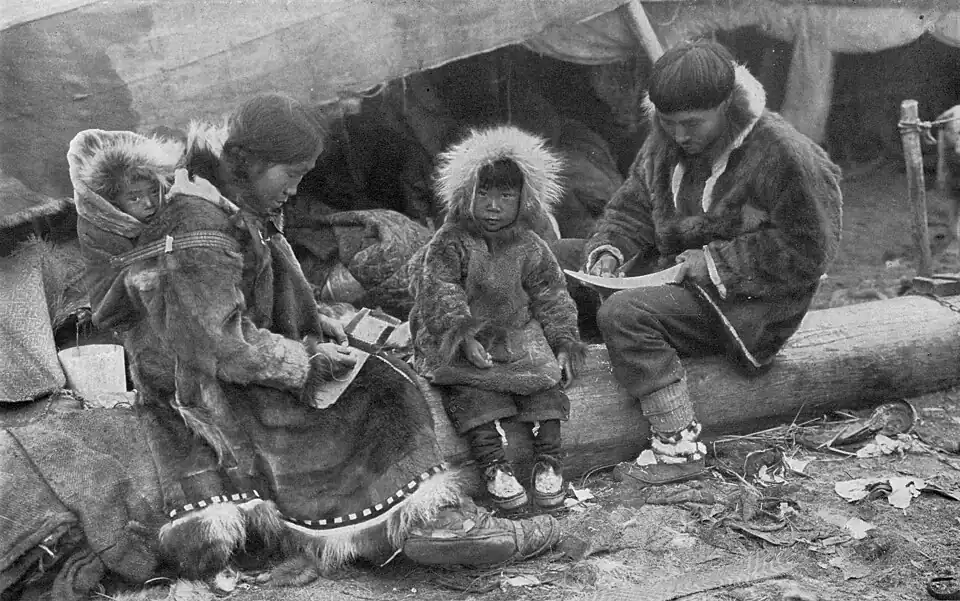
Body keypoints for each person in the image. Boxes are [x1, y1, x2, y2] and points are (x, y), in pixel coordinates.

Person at [61, 94, 559, 591]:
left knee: (377, 367)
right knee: (376, 391)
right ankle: (426, 522)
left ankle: (432, 517)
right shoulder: (199, 233)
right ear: (243, 162)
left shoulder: (229, 200)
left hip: (233, 357)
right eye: (292, 174)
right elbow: (220, 342)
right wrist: (303, 363)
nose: (296, 189)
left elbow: (253, 292)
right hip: (208, 384)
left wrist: (314, 318)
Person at [582, 41, 843, 483]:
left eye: (691, 123)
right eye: (667, 122)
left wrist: (718, 263)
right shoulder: (665, 142)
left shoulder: (780, 151)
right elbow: (633, 208)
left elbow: (811, 248)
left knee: (624, 313)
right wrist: (610, 251)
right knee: (566, 255)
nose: (681, 135)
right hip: (681, 276)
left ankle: (679, 445)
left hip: (750, 306)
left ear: (727, 105)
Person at [408, 125, 586, 511]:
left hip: (517, 335)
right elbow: (439, 291)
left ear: (525, 199)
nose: (493, 206)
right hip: (463, 337)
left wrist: (563, 343)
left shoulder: (530, 245)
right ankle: (494, 466)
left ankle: (548, 461)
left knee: (544, 385)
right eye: (483, 193)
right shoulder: (449, 241)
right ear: (464, 194)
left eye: (506, 195)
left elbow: (551, 293)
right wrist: (463, 335)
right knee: (472, 393)